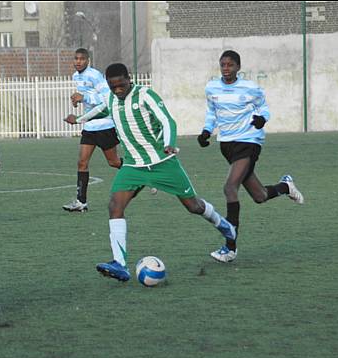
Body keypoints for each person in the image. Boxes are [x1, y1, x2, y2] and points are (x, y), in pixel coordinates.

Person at [67, 63, 236, 281]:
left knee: (193, 206)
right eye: (113, 87)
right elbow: (98, 110)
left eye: (121, 85)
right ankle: (120, 264)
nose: (118, 90)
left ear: (129, 79)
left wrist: (169, 143)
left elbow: (167, 121)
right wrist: (78, 119)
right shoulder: (110, 98)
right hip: (133, 166)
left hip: (162, 162)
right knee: (115, 206)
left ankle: (227, 228)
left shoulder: (145, 95)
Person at [197, 50, 304, 263]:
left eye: (230, 65)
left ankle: (230, 247)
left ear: (238, 67)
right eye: (223, 65)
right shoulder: (212, 88)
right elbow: (212, 112)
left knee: (230, 187)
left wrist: (262, 119)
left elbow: (263, 108)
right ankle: (285, 187)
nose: (226, 69)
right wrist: (206, 131)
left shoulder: (251, 88)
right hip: (227, 144)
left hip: (249, 140)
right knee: (260, 196)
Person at [62, 48, 122, 213]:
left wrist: (84, 98)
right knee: (82, 162)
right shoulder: (77, 76)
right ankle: (81, 202)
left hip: (103, 125)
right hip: (89, 126)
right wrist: (77, 99)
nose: (78, 61)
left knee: (114, 162)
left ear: (88, 61)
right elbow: (86, 95)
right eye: (76, 58)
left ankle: (145, 174)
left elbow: (107, 98)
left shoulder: (95, 75)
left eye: (82, 59)